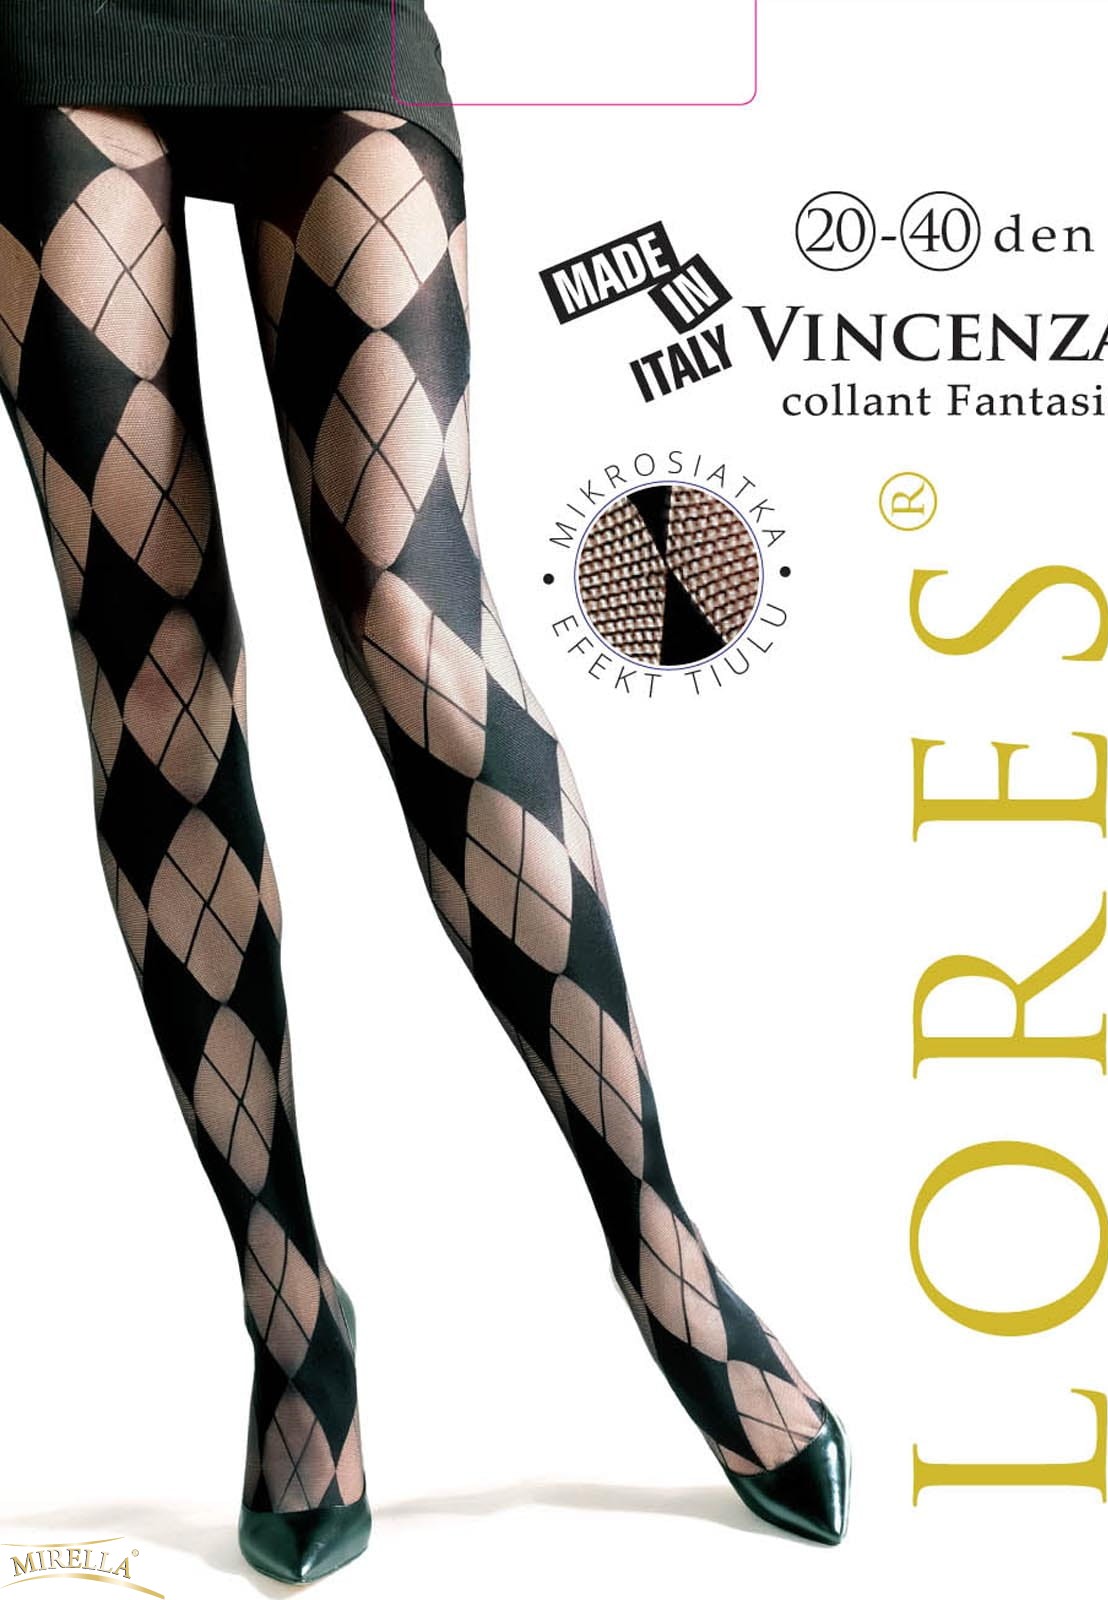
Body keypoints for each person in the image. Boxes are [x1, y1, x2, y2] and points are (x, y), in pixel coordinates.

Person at [0, 2, 848, 1583]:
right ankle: (289, 1312)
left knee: (418, 624)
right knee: (148, 653)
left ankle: (665, 1260)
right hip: (48, 32)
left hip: (326, 22)